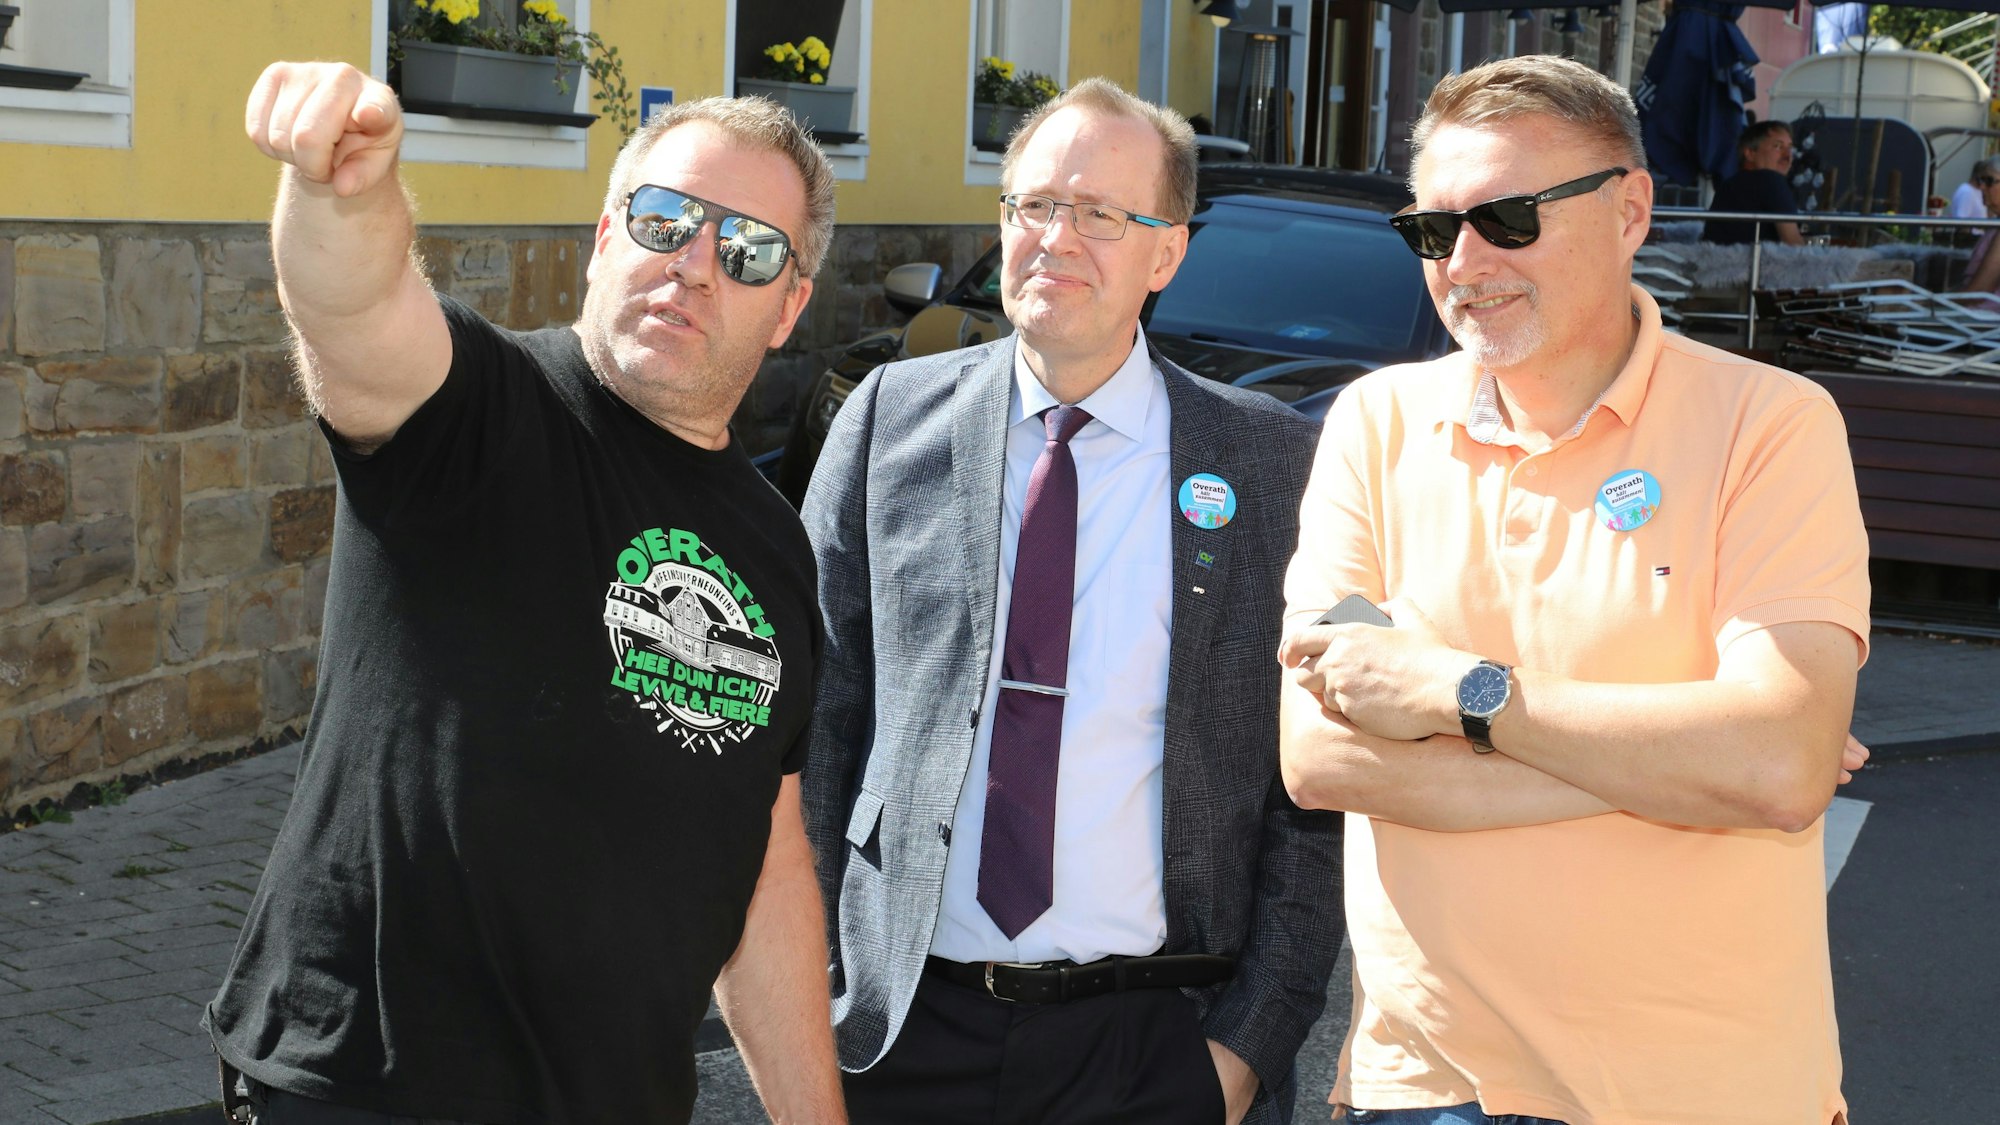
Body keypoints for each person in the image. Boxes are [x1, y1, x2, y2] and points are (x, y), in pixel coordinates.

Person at [205, 62, 846, 1124]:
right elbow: (355, 312)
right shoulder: (477, 412)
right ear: (604, 240)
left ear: (787, 309)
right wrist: (342, 192)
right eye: (664, 219)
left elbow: (766, 854)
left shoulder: (773, 546)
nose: (691, 264)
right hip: (364, 1090)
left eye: (745, 251)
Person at [1279, 56, 1869, 1125]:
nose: (1461, 261)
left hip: (1705, 1094)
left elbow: (1775, 770)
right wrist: (1687, 764)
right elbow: (1317, 759)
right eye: (1429, 229)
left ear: (1630, 209)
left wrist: (1457, 696)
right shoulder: (1373, 426)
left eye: (1506, 217)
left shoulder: (1768, 426)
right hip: (1421, 1087)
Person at [801, 78, 1340, 1125]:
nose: (1055, 239)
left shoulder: (1270, 463)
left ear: (1165, 253)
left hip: (1154, 1046)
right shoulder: (887, 421)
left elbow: (1312, 787)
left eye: (1099, 214)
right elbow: (821, 717)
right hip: (903, 1037)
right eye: (1032, 205)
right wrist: (820, 984)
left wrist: (1244, 1049)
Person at [1703, 118, 1805, 245]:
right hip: (1756, 263)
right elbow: (1793, 243)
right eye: (1778, 146)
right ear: (1750, 153)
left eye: (1790, 148)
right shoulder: (1770, 180)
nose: (1788, 155)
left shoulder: (1729, 184)